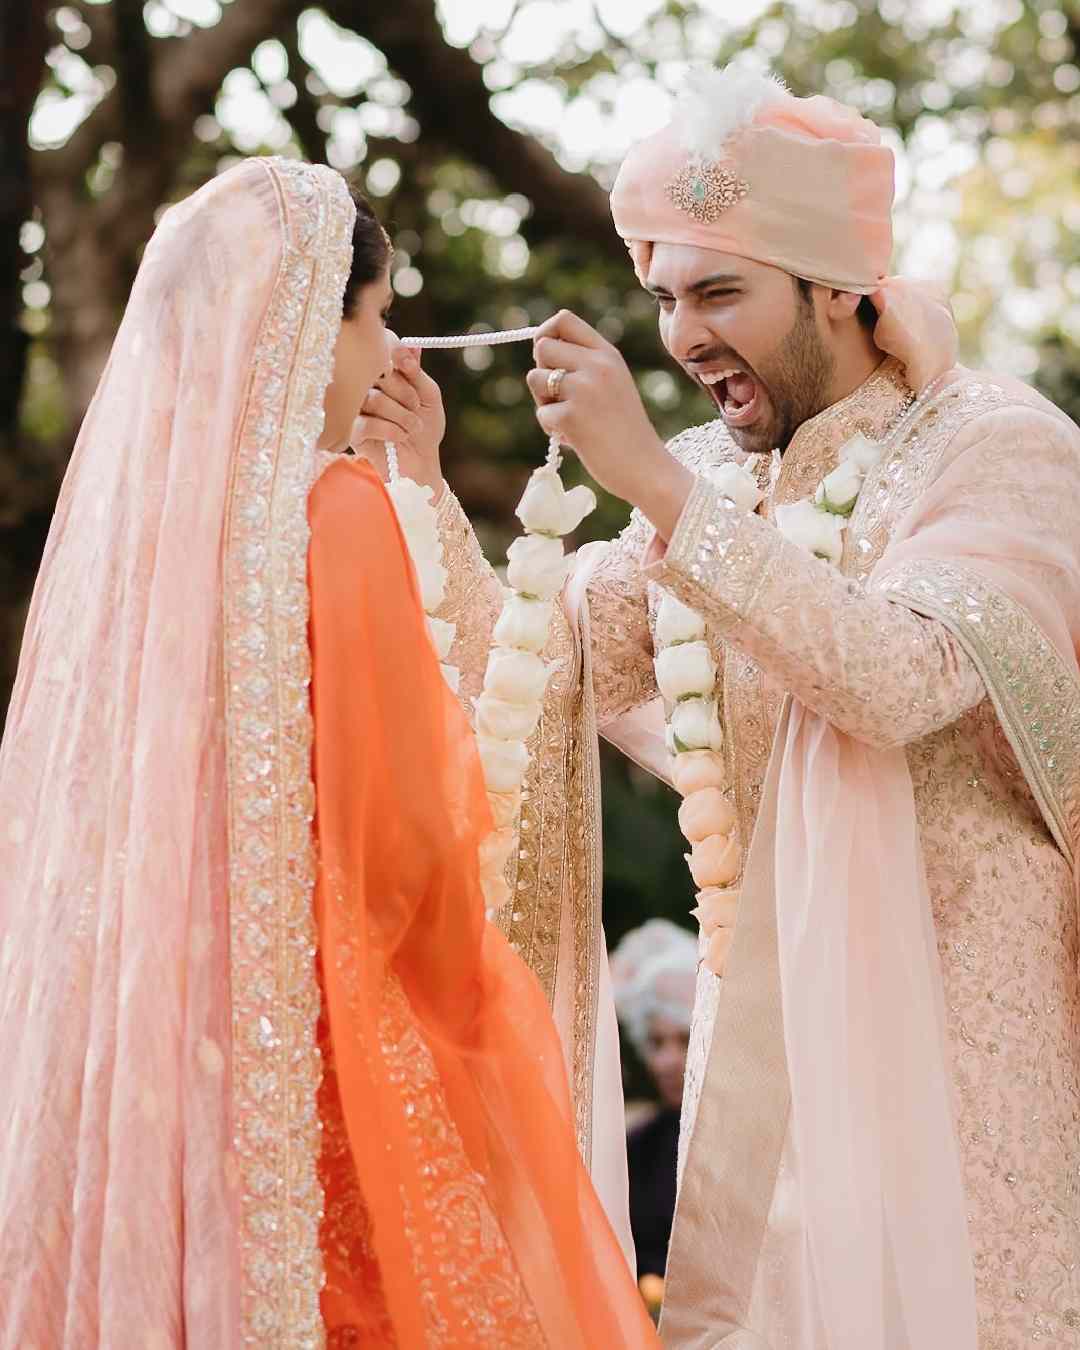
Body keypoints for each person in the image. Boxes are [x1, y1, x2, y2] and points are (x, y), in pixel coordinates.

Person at [376, 64, 1080, 1349]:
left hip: (965, 1063)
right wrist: (422, 476)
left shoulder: (993, 445)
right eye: (662, 297)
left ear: (837, 288)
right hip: (761, 1083)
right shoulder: (710, 477)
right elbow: (542, 670)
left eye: (718, 293)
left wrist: (646, 476)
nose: (683, 336)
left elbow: (903, 678)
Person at [0, 157, 659, 1348]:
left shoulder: (133, 560)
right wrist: (484, 1000)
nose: (387, 346)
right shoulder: (335, 513)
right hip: (325, 1078)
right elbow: (406, 843)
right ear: (310, 321)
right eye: (374, 312)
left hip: (162, 1070)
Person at [610, 921, 698, 1283]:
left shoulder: (745, 1139)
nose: (667, 1061)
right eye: (657, 1043)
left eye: (684, 1040)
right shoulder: (637, 1147)